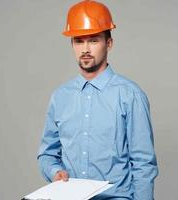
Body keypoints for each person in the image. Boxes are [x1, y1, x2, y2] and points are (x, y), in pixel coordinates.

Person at [37, 0, 158, 199]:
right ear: (72, 44)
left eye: (93, 40)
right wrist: (54, 172)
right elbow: (47, 154)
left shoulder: (130, 95)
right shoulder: (60, 97)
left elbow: (143, 163)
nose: (85, 49)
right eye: (79, 41)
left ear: (109, 43)